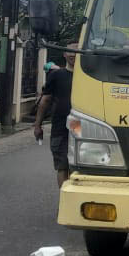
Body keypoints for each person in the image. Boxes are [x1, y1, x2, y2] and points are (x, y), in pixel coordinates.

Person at [34, 53, 75, 186]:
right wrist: (37, 125)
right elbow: (45, 100)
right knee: (62, 165)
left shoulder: (89, 76)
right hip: (60, 125)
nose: (73, 54)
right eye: (70, 50)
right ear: (64, 53)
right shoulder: (57, 75)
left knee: (78, 166)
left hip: (79, 125)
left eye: (77, 50)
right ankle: (64, 203)